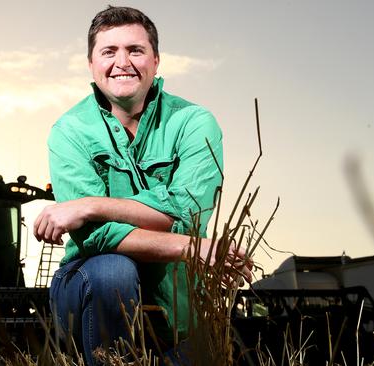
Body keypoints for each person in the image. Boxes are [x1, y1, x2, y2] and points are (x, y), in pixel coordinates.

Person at [33, 6, 253, 365]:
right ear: (91, 64)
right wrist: (192, 247)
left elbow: (186, 212)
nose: (123, 62)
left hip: (179, 306)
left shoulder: (194, 123)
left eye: (135, 50)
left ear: (156, 60)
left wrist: (92, 205)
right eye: (109, 51)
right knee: (111, 268)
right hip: (90, 291)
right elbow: (97, 237)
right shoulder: (69, 131)